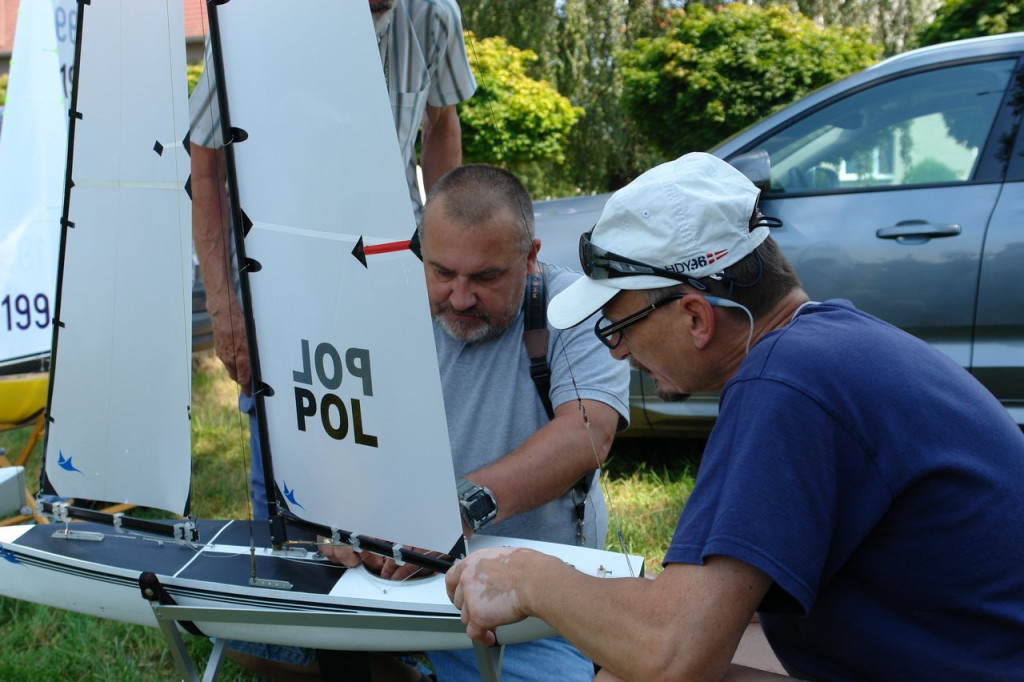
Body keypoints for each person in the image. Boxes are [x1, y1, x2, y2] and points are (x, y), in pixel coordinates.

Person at [444, 152, 1024, 681]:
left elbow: (673, 655)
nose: (618, 351)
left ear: (695, 316)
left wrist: (525, 575)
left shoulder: (785, 385)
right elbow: (712, 612)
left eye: (618, 327)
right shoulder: (827, 349)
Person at [189, 2, 475, 679]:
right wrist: (226, 309)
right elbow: (205, 164)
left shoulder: (433, 13)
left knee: (391, 464)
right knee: (290, 479)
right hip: (282, 278)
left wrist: (443, 255)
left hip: (385, 270)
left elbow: (441, 124)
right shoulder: (254, 16)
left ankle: (395, 644)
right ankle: (293, 642)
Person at [320, 163, 631, 681]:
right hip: (389, 585)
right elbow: (345, 435)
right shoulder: (384, 315)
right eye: (442, 272)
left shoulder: (574, 309)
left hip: (520, 604)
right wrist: (341, 515)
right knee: (237, 632)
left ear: (530, 259)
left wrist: (455, 512)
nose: (460, 298)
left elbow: (587, 432)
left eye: (486, 278)